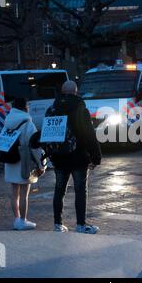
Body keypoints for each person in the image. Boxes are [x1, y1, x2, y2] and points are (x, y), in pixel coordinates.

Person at [50, 80, 102, 234]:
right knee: (80, 190)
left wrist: (49, 153)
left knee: (59, 190)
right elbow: (89, 135)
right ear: (76, 92)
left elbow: (48, 134)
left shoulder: (52, 109)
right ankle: (80, 225)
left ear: (62, 91)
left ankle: (58, 224)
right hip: (78, 157)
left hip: (59, 157)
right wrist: (96, 157)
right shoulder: (80, 109)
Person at [4, 98, 46, 231]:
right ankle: (23, 220)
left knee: (14, 192)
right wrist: (41, 164)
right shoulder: (28, 122)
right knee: (24, 194)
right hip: (24, 160)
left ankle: (16, 219)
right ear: (25, 107)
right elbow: (35, 146)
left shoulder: (8, 121)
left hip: (10, 159)